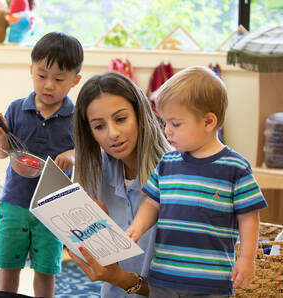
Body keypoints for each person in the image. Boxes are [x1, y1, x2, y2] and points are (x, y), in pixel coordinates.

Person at [126, 66, 268, 297]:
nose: (167, 131)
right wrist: (137, 227)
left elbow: (249, 216)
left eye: (176, 124)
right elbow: (153, 204)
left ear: (208, 122)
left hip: (211, 281)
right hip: (165, 275)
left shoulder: (235, 168)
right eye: (164, 123)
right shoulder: (167, 163)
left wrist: (247, 258)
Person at [0, 31, 83, 297]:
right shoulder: (17, 108)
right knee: (8, 265)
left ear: (75, 80)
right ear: (31, 70)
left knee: (46, 270)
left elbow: (86, 153)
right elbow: (2, 153)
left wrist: (73, 155)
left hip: (53, 207)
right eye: (41, 75)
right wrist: (0, 135)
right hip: (14, 201)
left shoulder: (75, 117)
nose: (49, 85)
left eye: (59, 79)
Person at [68, 71, 171, 298]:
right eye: (99, 126)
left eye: (121, 119)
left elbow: (182, 290)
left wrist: (120, 279)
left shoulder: (175, 176)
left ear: (140, 115)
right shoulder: (96, 169)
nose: (112, 134)